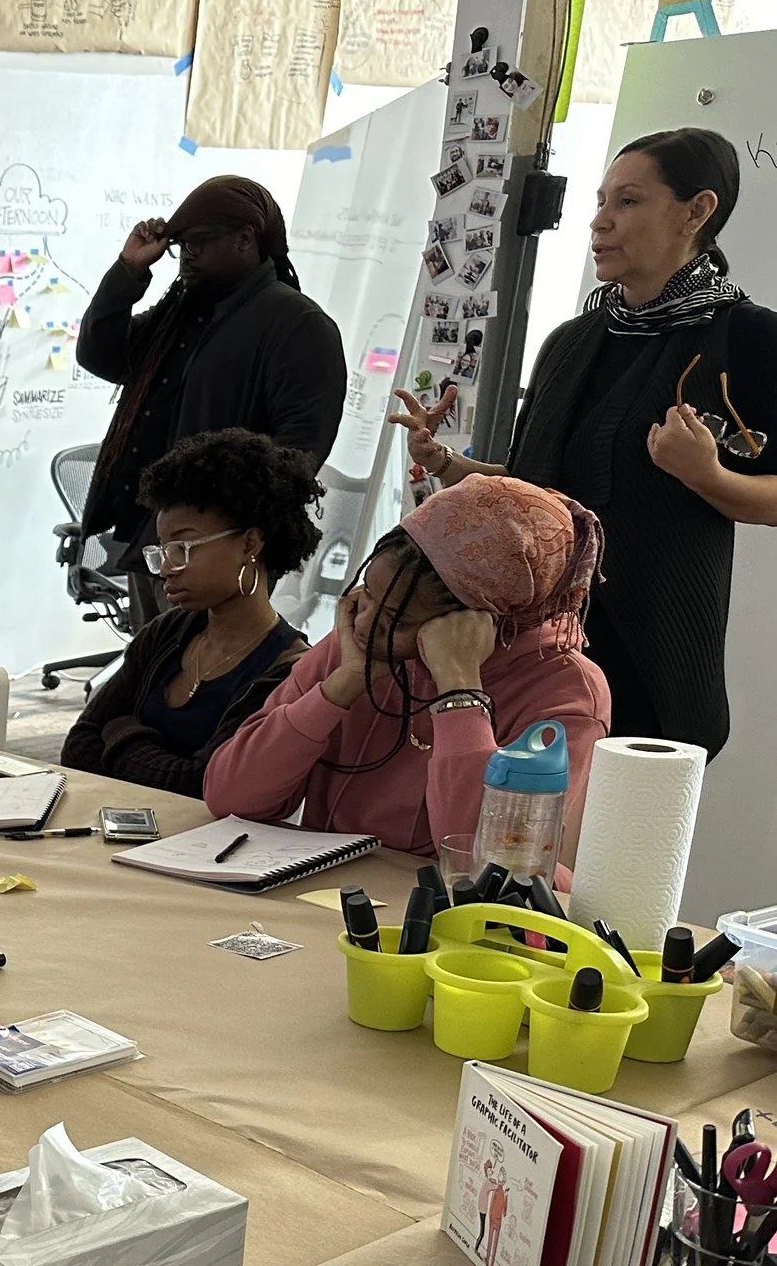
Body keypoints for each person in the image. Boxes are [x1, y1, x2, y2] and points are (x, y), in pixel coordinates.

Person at [391, 128, 777, 755]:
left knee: (614, 848)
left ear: (696, 211)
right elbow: (535, 487)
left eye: (627, 202)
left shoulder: (750, 339)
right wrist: (450, 464)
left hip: (653, 668)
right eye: (600, 202)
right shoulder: (571, 340)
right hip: (530, 658)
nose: (599, 223)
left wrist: (708, 475)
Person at [203, 474, 609, 857]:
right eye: (369, 594)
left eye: (398, 615)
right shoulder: (361, 644)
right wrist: (343, 684)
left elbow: (484, 860)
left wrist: (459, 690)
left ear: (477, 619)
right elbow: (231, 797)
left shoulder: (566, 691)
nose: (364, 622)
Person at [76, 176, 343, 600]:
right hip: (153, 531)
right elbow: (101, 357)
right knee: (161, 663)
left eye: (200, 241)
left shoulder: (296, 324)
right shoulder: (181, 315)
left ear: (245, 238)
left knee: (208, 664)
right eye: (181, 245)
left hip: (218, 547)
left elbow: (301, 447)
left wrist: (227, 528)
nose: (187, 254)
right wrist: (128, 271)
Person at [59, 430, 317, 796]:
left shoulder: (287, 671)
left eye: (183, 547)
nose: (165, 568)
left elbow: (199, 784)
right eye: (162, 550)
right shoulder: (168, 632)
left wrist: (120, 731)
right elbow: (79, 747)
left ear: (249, 543)